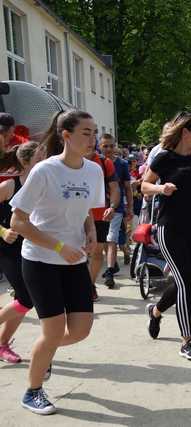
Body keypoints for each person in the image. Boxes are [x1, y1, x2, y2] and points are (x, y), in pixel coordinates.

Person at [10, 111, 104, 415]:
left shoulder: (93, 171)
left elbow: (87, 210)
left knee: (80, 330)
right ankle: (32, 391)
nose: (92, 139)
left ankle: (44, 354)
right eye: (86, 133)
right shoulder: (45, 171)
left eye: (94, 133)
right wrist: (59, 246)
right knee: (52, 331)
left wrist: (90, 233)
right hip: (40, 260)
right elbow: (18, 221)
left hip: (74, 260)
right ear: (66, 135)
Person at [142, 112, 191, 361]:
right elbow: (144, 185)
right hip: (169, 228)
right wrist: (161, 188)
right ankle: (187, 340)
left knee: (186, 281)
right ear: (185, 132)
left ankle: (156, 311)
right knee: (184, 283)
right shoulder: (164, 158)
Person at [0, 142, 41, 363]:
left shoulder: (44, 185)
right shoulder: (9, 185)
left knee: (22, 300)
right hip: (7, 248)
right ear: (25, 162)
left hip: (31, 248)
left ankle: (2, 344)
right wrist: (3, 230)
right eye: (40, 158)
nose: (45, 162)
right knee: (25, 298)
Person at [86, 142, 119, 301]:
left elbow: (114, 188)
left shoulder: (105, 163)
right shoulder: (67, 162)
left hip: (100, 214)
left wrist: (112, 207)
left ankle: (89, 285)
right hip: (74, 214)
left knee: (97, 251)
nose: (89, 143)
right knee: (77, 251)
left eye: (93, 138)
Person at [99, 134, 132, 288]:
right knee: (105, 238)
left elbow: (127, 187)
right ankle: (113, 264)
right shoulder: (94, 163)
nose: (108, 149)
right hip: (98, 207)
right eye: (105, 146)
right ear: (99, 146)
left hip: (116, 208)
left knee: (111, 238)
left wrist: (129, 207)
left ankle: (110, 271)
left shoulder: (122, 164)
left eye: (111, 146)